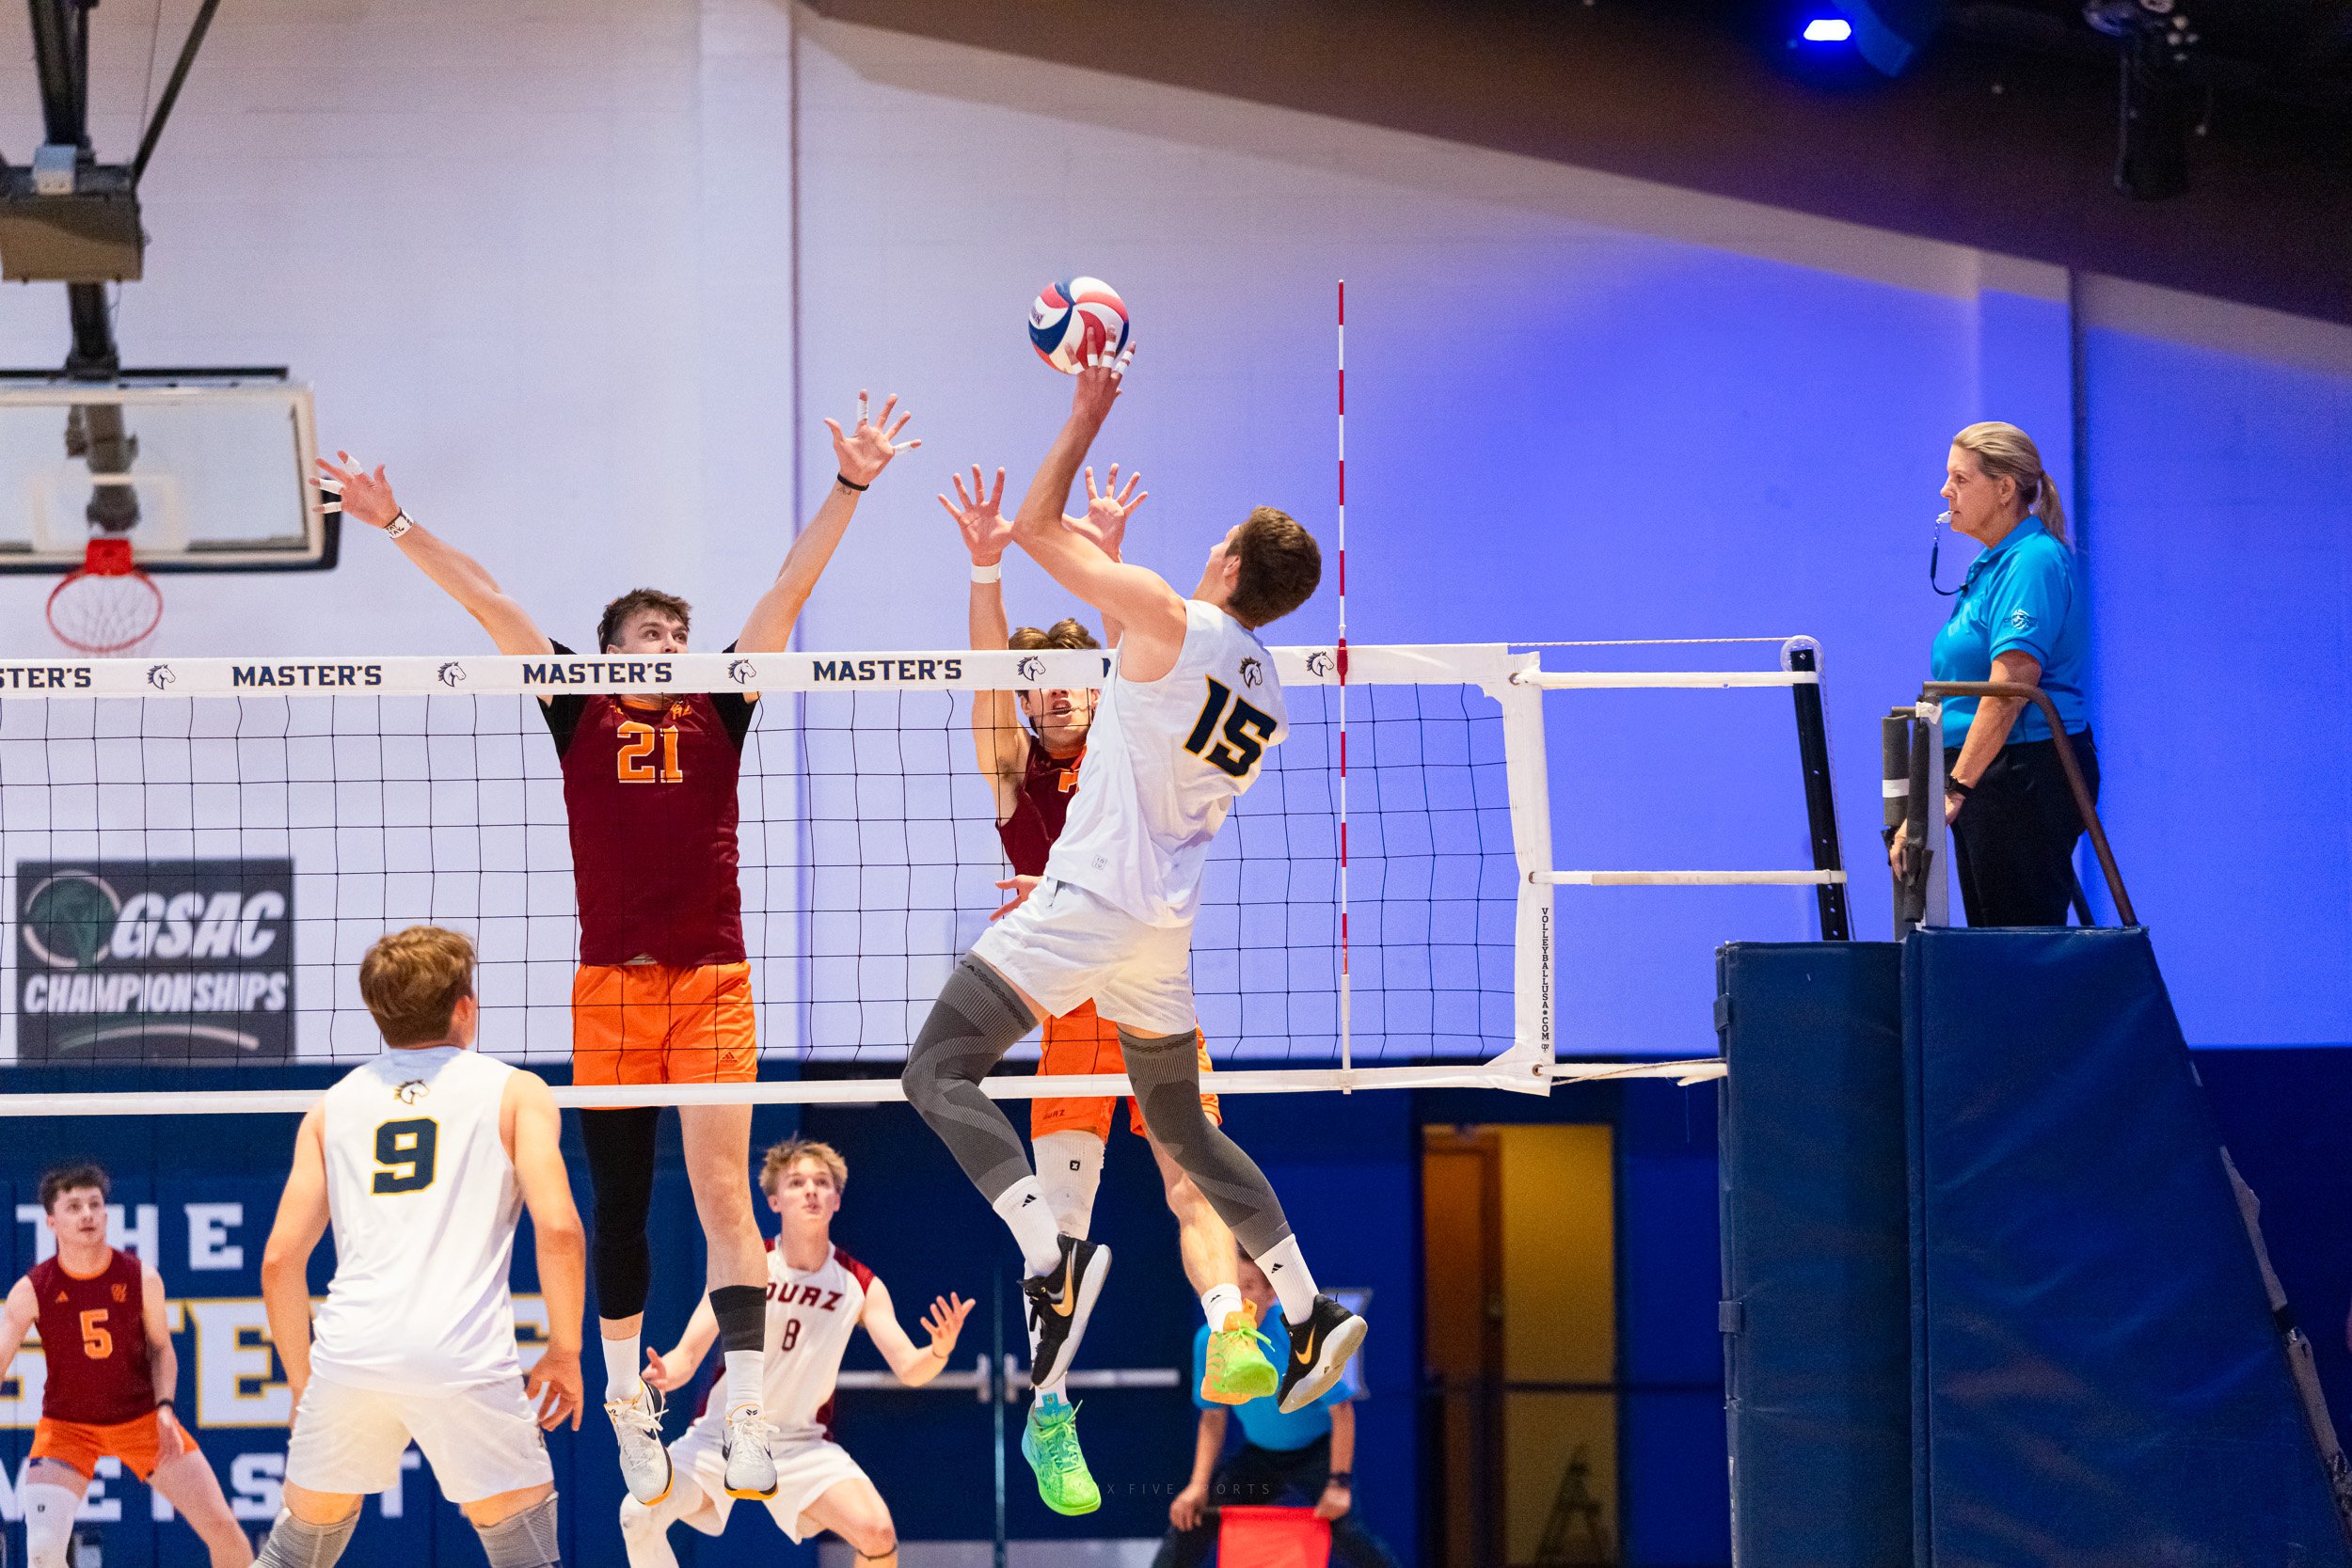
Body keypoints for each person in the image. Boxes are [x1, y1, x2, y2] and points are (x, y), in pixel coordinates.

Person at [317, 389, 920, 1504]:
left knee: (726, 1201)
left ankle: (745, 1414)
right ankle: (629, 1407)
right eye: (651, 636)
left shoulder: (719, 704)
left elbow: (786, 594)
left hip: (715, 984)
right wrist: (393, 521)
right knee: (622, 1206)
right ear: (607, 653)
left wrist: (851, 483)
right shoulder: (577, 704)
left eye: (678, 637)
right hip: (612, 990)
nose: (670, 648)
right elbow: (490, 600)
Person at [899, 347, 1362, 1516]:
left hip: (1087, 913)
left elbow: (1042, 528)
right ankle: (1305, 1308)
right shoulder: (1262, 686)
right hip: (1162, 931)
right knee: (1183, 1133)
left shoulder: (1166, 620)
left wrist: (1084, 411)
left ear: (1226, 562)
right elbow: (1123, 660)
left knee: (936, 1069)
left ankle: (1046, 1259)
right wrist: (1098, 559)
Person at [941, 461, 1271, 1515]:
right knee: (1064, 1239)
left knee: (1191, 1180)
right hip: (1060, 1010)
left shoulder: (1132, 731)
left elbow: (1142, 644)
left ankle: (1230, 1328)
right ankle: (1049, 1410)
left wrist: (1108, 551)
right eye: (1039, 682)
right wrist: (987, 567)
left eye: (1072, 677)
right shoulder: (1015, 766)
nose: (1056, 693)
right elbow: (988, 676)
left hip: (1148, 986)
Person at [254, 926, 587, 1568]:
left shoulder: (331, 1107)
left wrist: (303, 1384)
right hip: (461, 1354)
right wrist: (565, 1349)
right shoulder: (516, 1091)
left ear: (378, 1012)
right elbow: (560, 1230)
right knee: (525, 1552)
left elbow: (279, 1262)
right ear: (465, 1005)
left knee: (295, 1554)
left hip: (351, 1353)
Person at [620, 1138, 973, 1568]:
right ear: (774, 1201)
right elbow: (687, 1356)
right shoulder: (745, 1266)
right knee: (637, 1515)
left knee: (877, 1532)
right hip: (721, 1437)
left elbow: (909, 1368)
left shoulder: (860, 1284)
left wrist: (938, 1351)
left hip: (801, 1445)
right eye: (797, 1182)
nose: (811, 1191)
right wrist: (663, 1374)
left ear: (837, 1200)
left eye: (822, 1183)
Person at [1895, 420, 2097, 926]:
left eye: (1960, 479)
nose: (1945, 491)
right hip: (1987, 771)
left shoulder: (2032, 562)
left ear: (2005, 489)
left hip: (2021, 769)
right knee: (1994, 940)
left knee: (2016, 946)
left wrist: (1955, 789)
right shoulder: (1993, 564)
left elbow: (2010, 687)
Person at [0, 1166, 252, 1568]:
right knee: (43, 1552)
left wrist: (165, 1408)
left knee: (224, 1529)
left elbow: (162, 1349)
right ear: (51, 1221)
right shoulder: (33, 1289)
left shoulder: (141, 1278)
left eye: (94, 1204)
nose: (87, 1214)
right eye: (73, 1207)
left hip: (142, 1422)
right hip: (67, 1429)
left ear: (106, 1212)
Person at [1154, 1259, 1399, 1568]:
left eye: (1248, 1287)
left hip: (1316, 1453)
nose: (1239, 1299)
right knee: (1192, 1517)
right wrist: (1197, 1486)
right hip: (1260, 1457)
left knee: (1347, 1532)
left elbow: (1341, 1410)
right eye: (1230, 1289)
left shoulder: (1296, 1334)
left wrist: (1339, 1484)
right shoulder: (1209, 1340)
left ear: (1271, 1294)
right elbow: (1213, 1416)